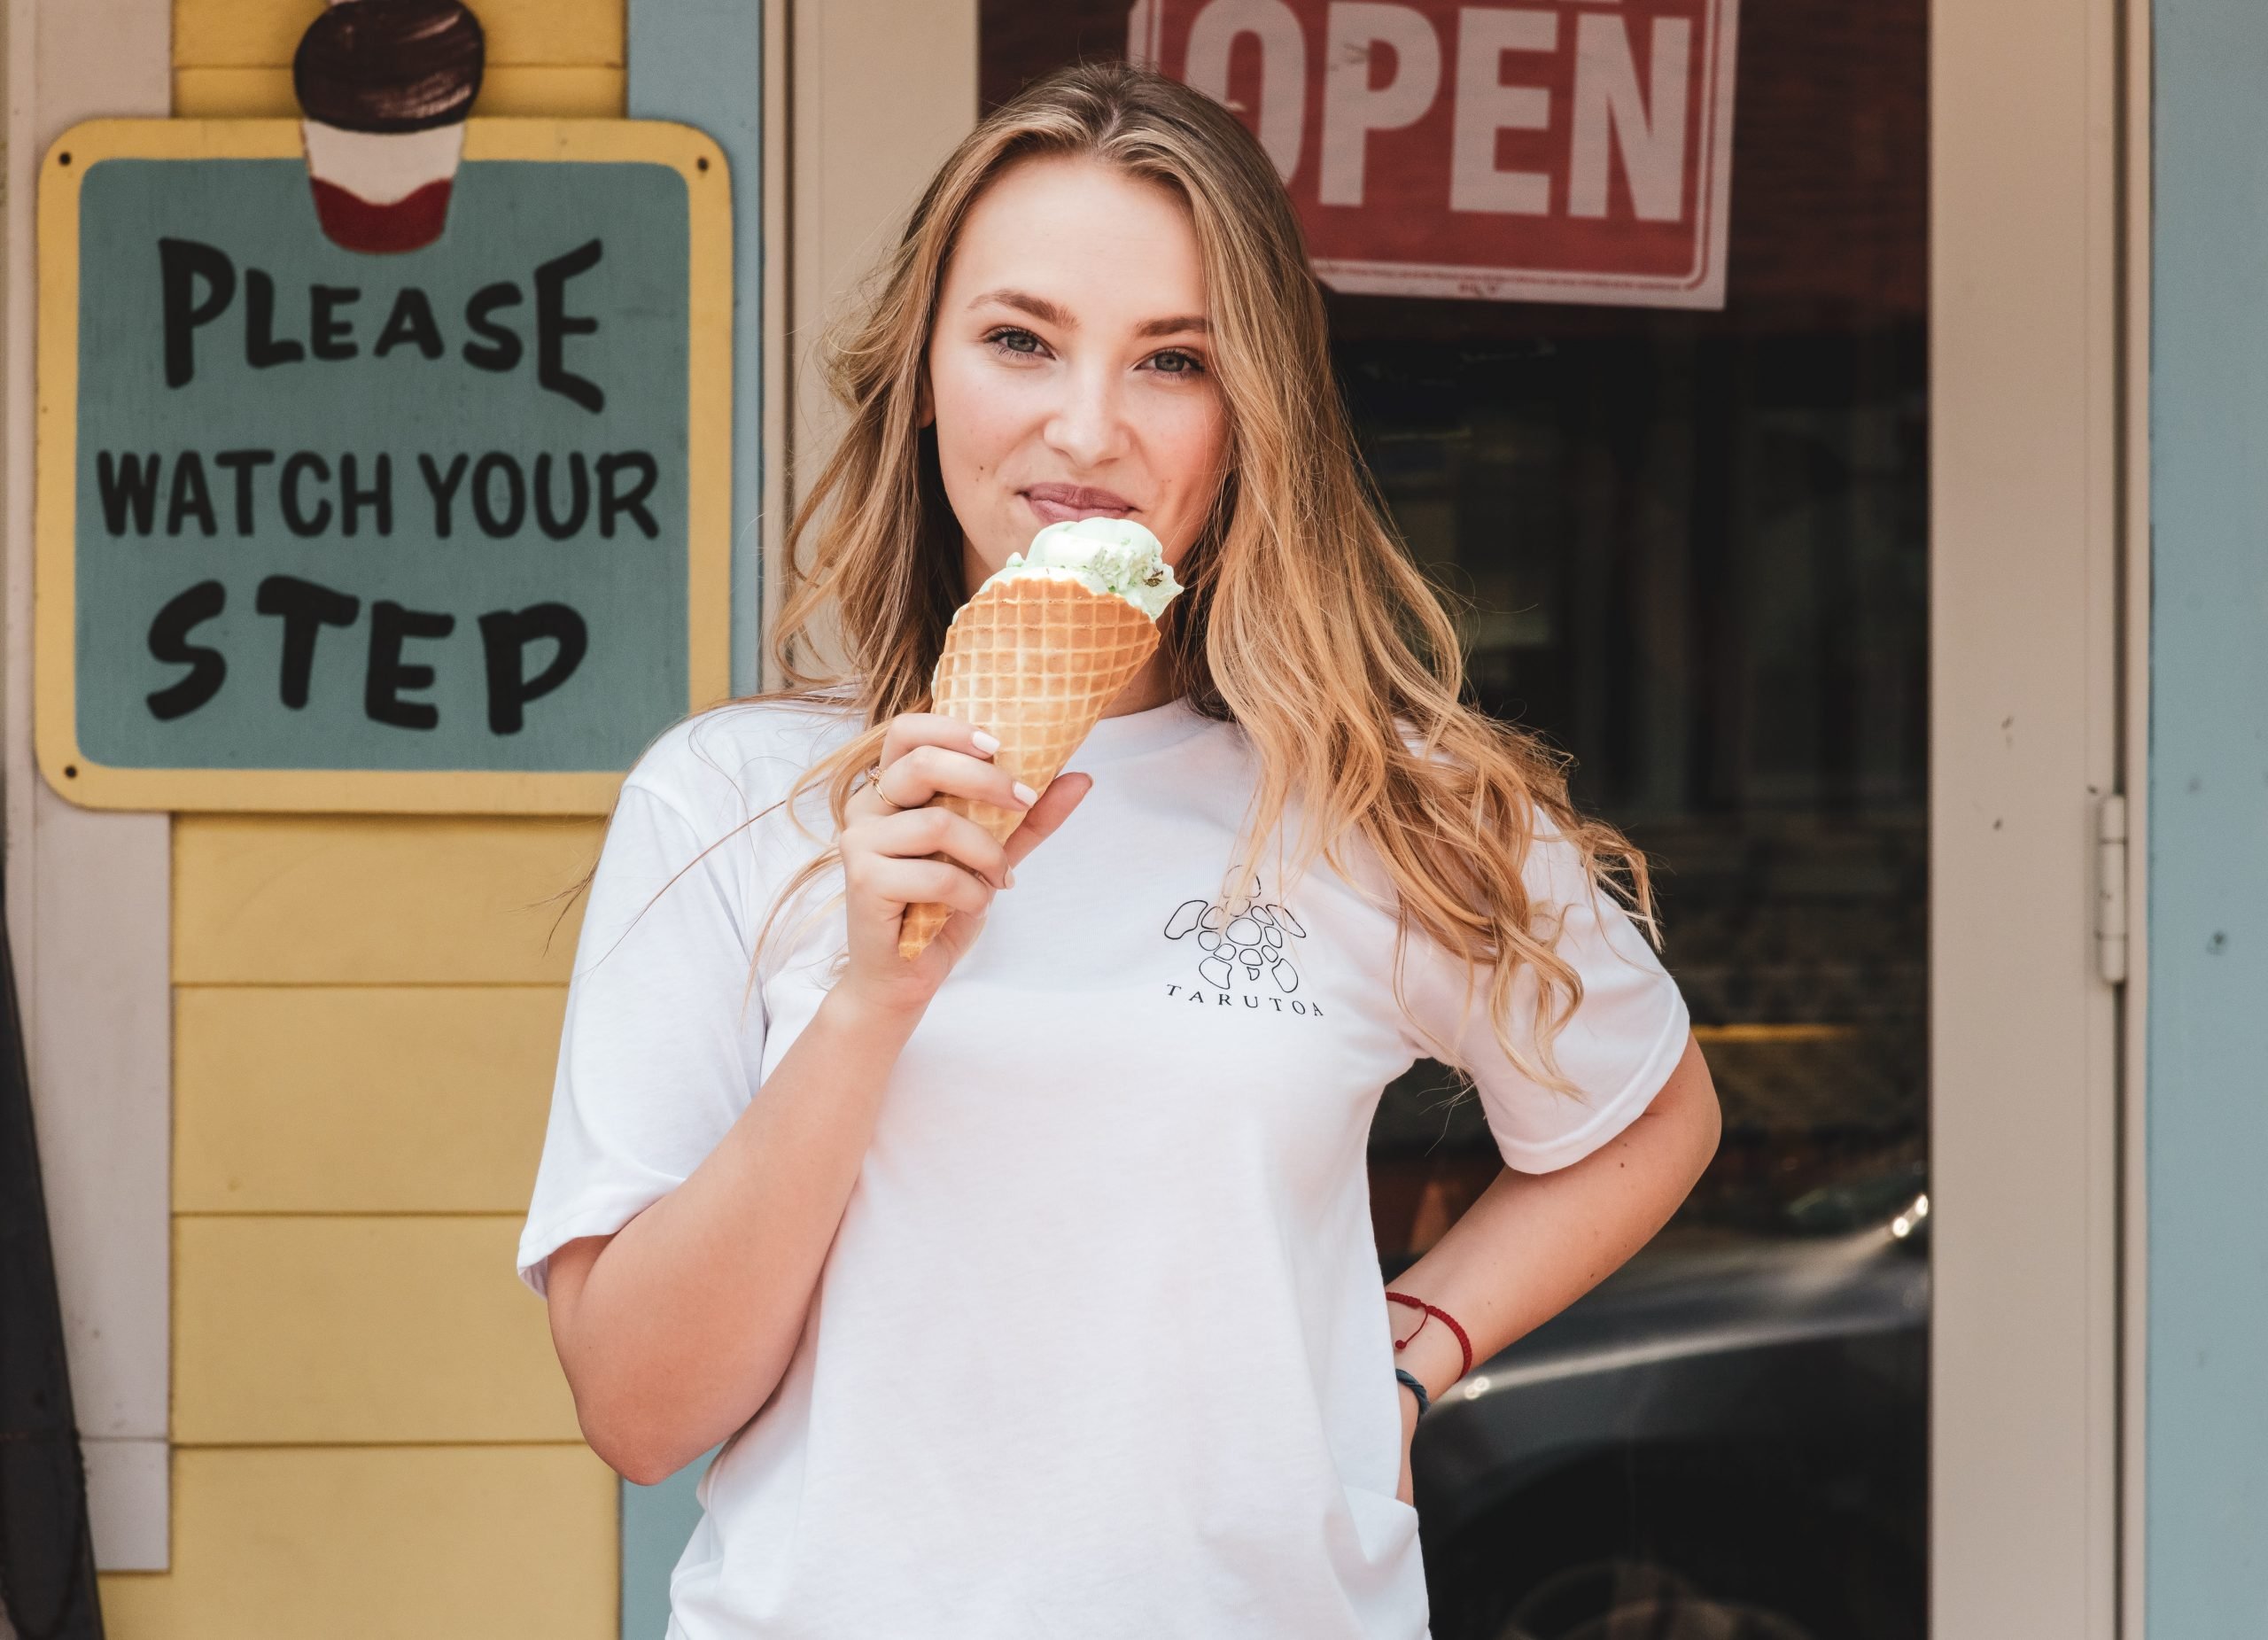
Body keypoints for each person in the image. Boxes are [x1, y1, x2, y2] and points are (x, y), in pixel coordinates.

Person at [515, 60, 1720, 1640]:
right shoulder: (734, 798)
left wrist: (1410, 1353)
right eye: (1020, 339)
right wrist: (873, 998)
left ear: (1250, 419)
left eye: (1175, 360)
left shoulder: (1378, 796)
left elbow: (1649, 1116)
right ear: (925, 372)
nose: (1086, 426)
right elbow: (642, 1411)